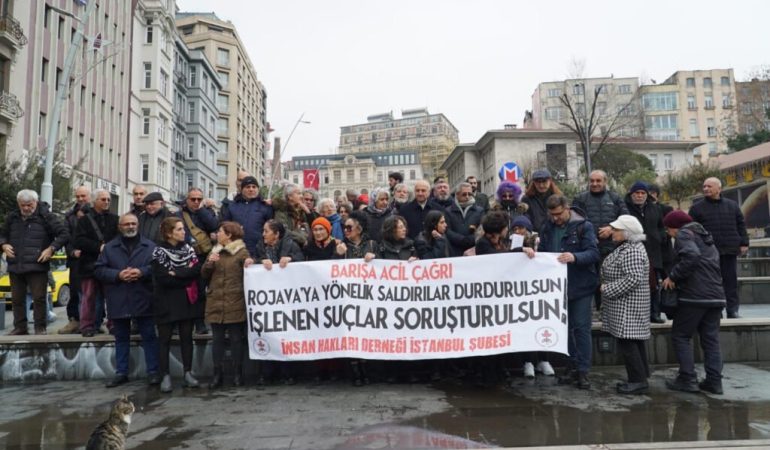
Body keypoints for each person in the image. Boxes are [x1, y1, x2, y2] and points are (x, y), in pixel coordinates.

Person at [538, 195, 600, 389]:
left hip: (581, 286)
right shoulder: (547, 227)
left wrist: (575, 256)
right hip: (557, 287)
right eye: (552, 215)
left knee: (581, 328)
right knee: (565, 329)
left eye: (558, 214)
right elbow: (542, 252)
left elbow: (594, 253)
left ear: (567, 208)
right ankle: (571, 367)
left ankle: (583, 371)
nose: (555, 218)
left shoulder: (584, 226)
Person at [662, 210, 726, 394]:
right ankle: (714, 382)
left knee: (681, 336)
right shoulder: (705, 237)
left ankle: (687, 379)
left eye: (668, 229)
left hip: (694, 296)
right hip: (715, 295)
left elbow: (692, 256)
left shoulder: (684, 234)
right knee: (711, 340)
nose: (668, 233)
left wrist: (673, 276)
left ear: (675, 227)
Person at [94, 213, 160, 388]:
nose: (130, 227)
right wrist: (118, 275)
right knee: (121, 337)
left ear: (138, 225)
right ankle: (121, 372)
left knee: (149, 336)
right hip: (119, 296)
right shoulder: (109, 248)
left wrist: (141, 272)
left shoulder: (150, 246)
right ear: (120, 227)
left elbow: (157, 267)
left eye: (133, 223)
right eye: (126, 224)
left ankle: (153, 372)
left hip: (143, 296)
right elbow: (99, 270)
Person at [0, 190, 69, 335]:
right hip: (16, 264)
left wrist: (51, 249)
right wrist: (4, 245)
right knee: (17, 299)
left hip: (38, 265)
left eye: (29, 205)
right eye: (22, 205)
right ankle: (20, 327)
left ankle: (40, 328)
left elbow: (64, 234)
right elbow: (2, 234)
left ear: (36, 202)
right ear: (18, 203)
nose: (26, 208)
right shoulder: (13, 217)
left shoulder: (46, 217)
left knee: (39, 298)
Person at [247, 219, 304, 384]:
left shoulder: (291, 245)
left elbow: (303, 262)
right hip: (267, 301)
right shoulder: (260, 246)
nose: (263, 234)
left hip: (287, 299)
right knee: (267, 333)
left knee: (286, 334)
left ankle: (288, 373)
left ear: (277, 234)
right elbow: (254, 261)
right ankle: (267, 373)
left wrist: (291, 260)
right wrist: (256, 262)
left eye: (266, 231)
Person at [600, 215, 651, 395]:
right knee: (633, 341)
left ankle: (638, 381)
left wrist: (607, 288)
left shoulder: (632, 250)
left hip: (628, 304)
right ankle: (641, 376)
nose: (612, 232)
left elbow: (633, 278)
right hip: (626, 303)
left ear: (627, 232)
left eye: (616, 229)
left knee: (628, 343)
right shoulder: (628, 247)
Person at [151, 217, 203, 393]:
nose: (183, 232)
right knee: (164, 339)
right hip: (165, 301)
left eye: (183, 229)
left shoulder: (188, 249)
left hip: (185, 301)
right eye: (179, 229)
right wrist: (185, 275)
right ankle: (165, 375)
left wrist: (178, 274)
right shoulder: (159, 252)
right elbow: (163, 278)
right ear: (169, 233)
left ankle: (188, 372)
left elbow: (196, 270)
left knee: (186, 338)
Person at [688, 177, 749, 318]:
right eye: (704, 186)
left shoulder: (732, 205)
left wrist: (744, 243)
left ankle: (732, 310)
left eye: (709, 186)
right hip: (708, 252)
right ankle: (715, 311)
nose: (705, 189)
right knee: (711, 282)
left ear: (719, 188)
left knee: (730, 281)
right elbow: (691, 230)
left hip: (729, 249)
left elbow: (741, 224)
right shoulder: (696, 208)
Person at [201, 221, 249, 388]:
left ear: (229, 235)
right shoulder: (214, 251)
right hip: (216, 301)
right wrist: (209, 263)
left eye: (220, 231)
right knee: (217, 340)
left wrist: (249, 263)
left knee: (236, 339)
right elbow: (204, 274)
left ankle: (237, 374)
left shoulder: (242, 252)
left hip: (235, 301)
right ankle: (217, 374)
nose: (217, 234)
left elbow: (249, 271)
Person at [571, 170, 628, 310]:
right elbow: (574, 221)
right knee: (588, 280)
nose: (595, 184)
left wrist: (611, 228)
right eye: (592, 181)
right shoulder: (580, 198)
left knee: (608, 279)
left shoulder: (615, 198)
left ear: (605, 181)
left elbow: (626, 218)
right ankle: (589, 311)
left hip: (611, 248)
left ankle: (605, 310)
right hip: (587, 248)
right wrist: (589, 236)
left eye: (598, 181)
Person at [510, 215, 553, 379]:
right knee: (525, 325)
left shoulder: (539, 240)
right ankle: (527, 361)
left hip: (539, 288)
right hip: (521, 290)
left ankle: (544, 360)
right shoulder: (513, 242)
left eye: (521, 228)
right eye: (515, 228)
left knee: (542, 323)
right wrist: (519, 249)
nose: (518, 231)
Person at [75, 189, 119, 337]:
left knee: (112, 296)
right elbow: (78, 240)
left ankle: (114, 325)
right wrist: (98, 247)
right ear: (94, 201)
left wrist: (109, 248)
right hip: (89, 264)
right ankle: (87, 326)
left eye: (108, 199)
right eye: (103, 199)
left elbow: (119, 239)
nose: (107, 202)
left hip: (110, 264)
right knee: (89, 297)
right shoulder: (84, 220)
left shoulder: (115, 219)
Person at [176, 187, 219, 335]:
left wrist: (201, 210)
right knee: (184, 291)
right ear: (187, 199)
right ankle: (184, 323)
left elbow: (214, 226)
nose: (196, 202)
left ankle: (200, 323)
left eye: (199, 199)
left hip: (202, 257)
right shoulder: (179, 214)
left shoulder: (206, 213)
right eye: (193, 199)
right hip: (184, 257)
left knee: (201, 291)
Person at [624, 181, 666, 324]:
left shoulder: (655, 208)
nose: (640, 196)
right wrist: (644, 238)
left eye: (643, 193)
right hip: (633, 253)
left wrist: (660, 237)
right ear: (631, 194)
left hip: (654, 253)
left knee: (654, 286)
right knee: (636, 286)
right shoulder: (625, 208)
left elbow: (661, 226)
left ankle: (655, 313)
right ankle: (638, 316)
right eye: (637, 193)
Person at [58, 186, 91, 334]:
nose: (80, 199)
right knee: (75, 292)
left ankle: (95, 321)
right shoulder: (69, 216)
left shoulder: (96, 213)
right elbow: (66, 236)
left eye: (83, 196)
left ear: (89, 196)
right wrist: (71, 251)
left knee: (93, 293)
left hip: (92, 258)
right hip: (76, 260)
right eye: (78, 196)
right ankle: (74, 320)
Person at [220, 176, 273, 258]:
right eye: (248, 187)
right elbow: (225, 227)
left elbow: (271, 229)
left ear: (258, 189)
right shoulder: (232, 206)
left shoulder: (265, 206)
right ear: (242, 189)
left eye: (254, 187)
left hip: (259, 252)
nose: (251, 189)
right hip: (236, 251)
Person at [445, 182, 484, 256]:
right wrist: (461, 240)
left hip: (473, 251)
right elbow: (447, 230)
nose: (467, 197)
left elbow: (481, 229)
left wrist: (470, 240)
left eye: (469, 194)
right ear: (457, 195)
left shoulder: (479, 211)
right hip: (454, 250)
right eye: (464, 194)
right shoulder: (448, 211)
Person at [522, 169, 563, 233]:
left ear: (550, 181)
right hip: (534, 234)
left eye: (544, 181)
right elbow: (525, 218)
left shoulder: (559, 198)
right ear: (533, 183)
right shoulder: (527, 199)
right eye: (538, 182)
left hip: (555, 233)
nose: (541, 185)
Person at [274, 183, 312, 247]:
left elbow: (306, 228)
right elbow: (283, 230)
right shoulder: (281, 210)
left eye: (301, 193)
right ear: (290, 196)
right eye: (298, 193)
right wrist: (301, 238)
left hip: (300, 247)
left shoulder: (301, 211)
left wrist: (307, 211)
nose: (301, 196)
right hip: (286, 248)